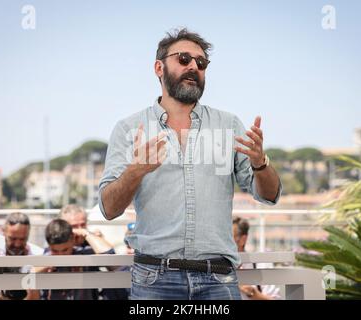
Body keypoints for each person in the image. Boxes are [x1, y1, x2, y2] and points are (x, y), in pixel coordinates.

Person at [98, 28, 282, 300]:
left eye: (201, 62)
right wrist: (135, 172)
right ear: (159, 67)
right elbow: (109, 208)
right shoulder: (129, 129)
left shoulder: (228, 125)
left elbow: (269, 196)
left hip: (218, 280)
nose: (194, 66)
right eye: (184, 59)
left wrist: (260, 162)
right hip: (154, 279)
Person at [40, 219, 116, 300]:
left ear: (72, 240)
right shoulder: (47, 256)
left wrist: (85, 233)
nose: (60, 255)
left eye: (65, 250)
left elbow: (109, 254)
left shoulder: (85, 253)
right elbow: (30, 274)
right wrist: (45, 267)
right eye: (55, 251)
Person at [0, 212, 42, 300]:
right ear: (3, 231)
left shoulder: (37, 255)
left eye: (23, 239)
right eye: (12, 239)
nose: (17, 244)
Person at [232, 216, 281, 300]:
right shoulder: (213, 267)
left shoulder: (261, 265)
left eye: (228, 237)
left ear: (243, 239)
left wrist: (252, 292)